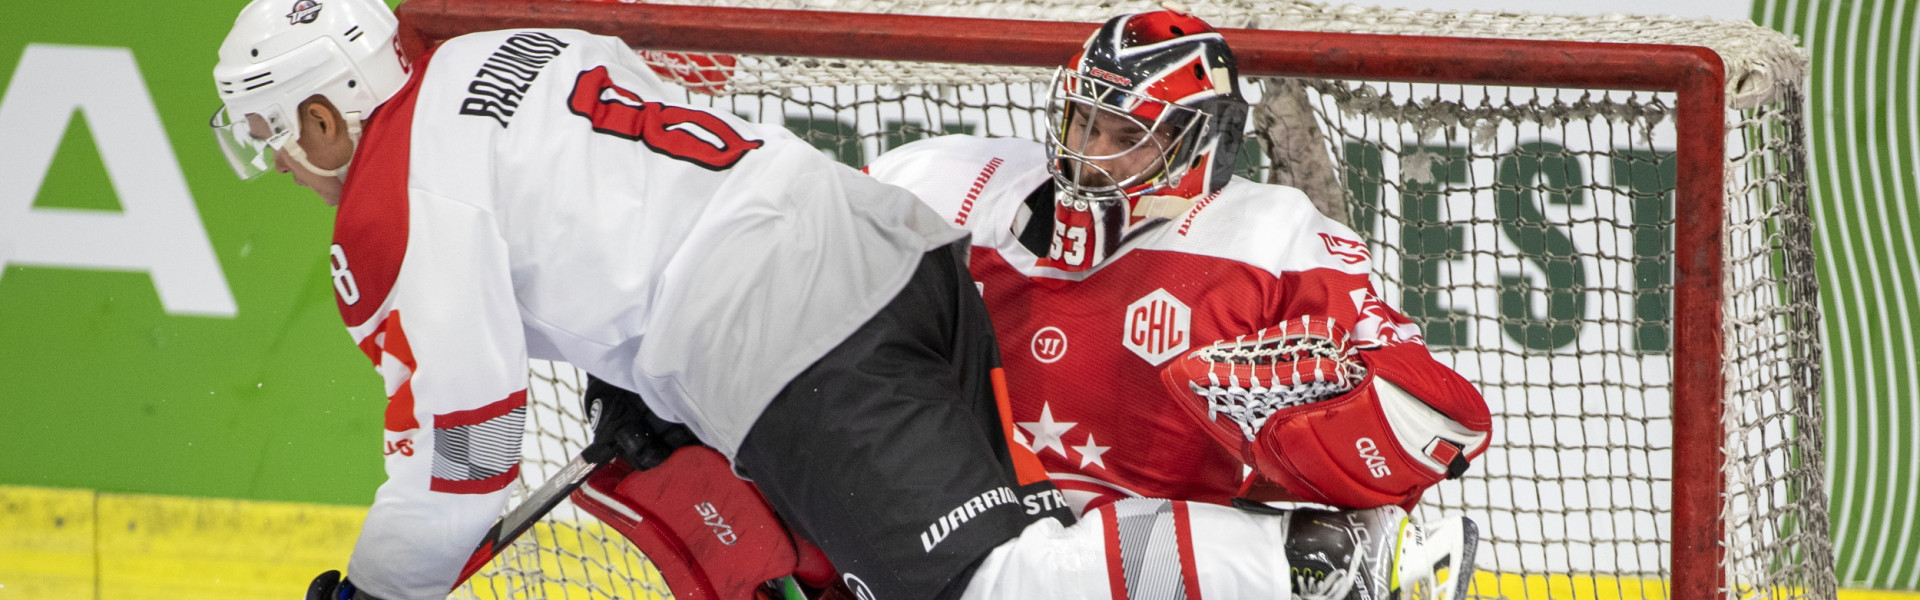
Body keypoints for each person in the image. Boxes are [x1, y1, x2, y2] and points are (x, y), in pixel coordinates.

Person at [211, 1, 1475, 599]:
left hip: (783, 332)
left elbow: (462, 466)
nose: (284, 158)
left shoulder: (389, 198)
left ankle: (1316, 564)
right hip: (855, 237)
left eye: (279, 133)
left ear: (325, 108)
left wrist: (373, 596)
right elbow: (628, 184)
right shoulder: (499, 53)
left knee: (975, 585)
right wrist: (646, 378)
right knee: (851, 562)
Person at [866, 8, 1492, 520]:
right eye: (1082, 121)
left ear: (1195, 144)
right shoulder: (937, 180)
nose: (1088, 156)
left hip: (1153, 558)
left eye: (1123, 135)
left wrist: (1323, 429)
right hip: (944, 527)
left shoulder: (1272, 240)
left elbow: (1443, 422)